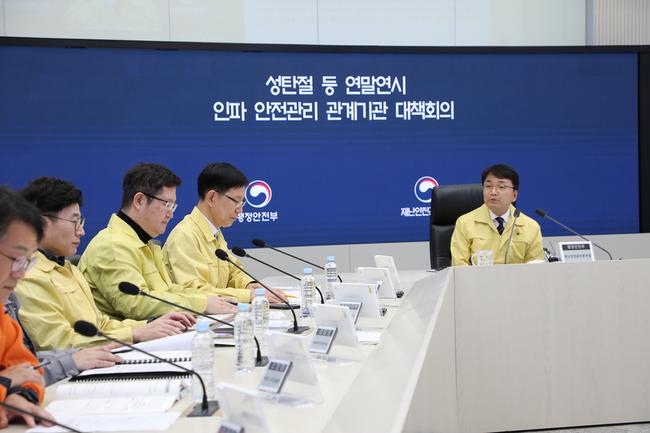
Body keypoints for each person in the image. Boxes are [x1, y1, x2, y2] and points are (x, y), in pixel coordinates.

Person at [16, 177, 195, 352]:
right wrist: (135, 333)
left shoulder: (67, 268)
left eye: (81, 222)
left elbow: (100, 324)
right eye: (74, 222)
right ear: (41, 224)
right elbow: (58, 343)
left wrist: (148, 325)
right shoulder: (28, 276)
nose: (81, 231)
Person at [79, 163, 237, 320]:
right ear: (139, 200)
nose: (171, 214)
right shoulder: (112, 245)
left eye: (173, 206)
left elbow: (169, 291)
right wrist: (201, 304)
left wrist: (210, 299)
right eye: (166, 204)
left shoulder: (145, 242)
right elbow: (136, 304)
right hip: (126, 334)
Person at [163, 162, 286, 303]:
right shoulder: (185, 236)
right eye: (236, 201)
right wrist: (249, 296)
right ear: (212, 198)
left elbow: (232, 272)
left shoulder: (214, 231)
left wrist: (249, 285)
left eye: (242, 203)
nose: (240, 210)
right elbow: (195, 292)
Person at [0, 186, 52, 428]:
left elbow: (30, 372)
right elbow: (12, 375)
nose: (20, 274)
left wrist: (17, 398)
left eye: (27, 263)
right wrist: (5, 383)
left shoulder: (4, 322)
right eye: (16, 259)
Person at [450, 164, 544, 266]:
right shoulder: (464, 223)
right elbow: (459, 266)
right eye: (488, 186)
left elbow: (535, 267)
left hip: (517, 277)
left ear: (514, 195)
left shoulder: (531, 227)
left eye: (501, 187)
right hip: (477, 277)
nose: (493, 192)